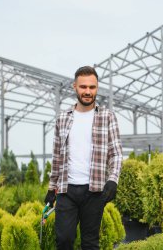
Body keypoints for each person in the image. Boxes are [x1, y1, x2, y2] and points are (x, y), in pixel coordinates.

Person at [44, 66, 123, 250]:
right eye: (83, 87)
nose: (88, 92)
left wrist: (113, 180)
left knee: (90, 243)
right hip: (66, 190)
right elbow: (57, 156)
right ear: (75, 87)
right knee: (63, 240)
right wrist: (51, 189)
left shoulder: (107, 117)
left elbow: (116, 153)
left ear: (97, 88)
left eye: (92, 87)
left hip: (94, 191)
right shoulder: (63, 118)